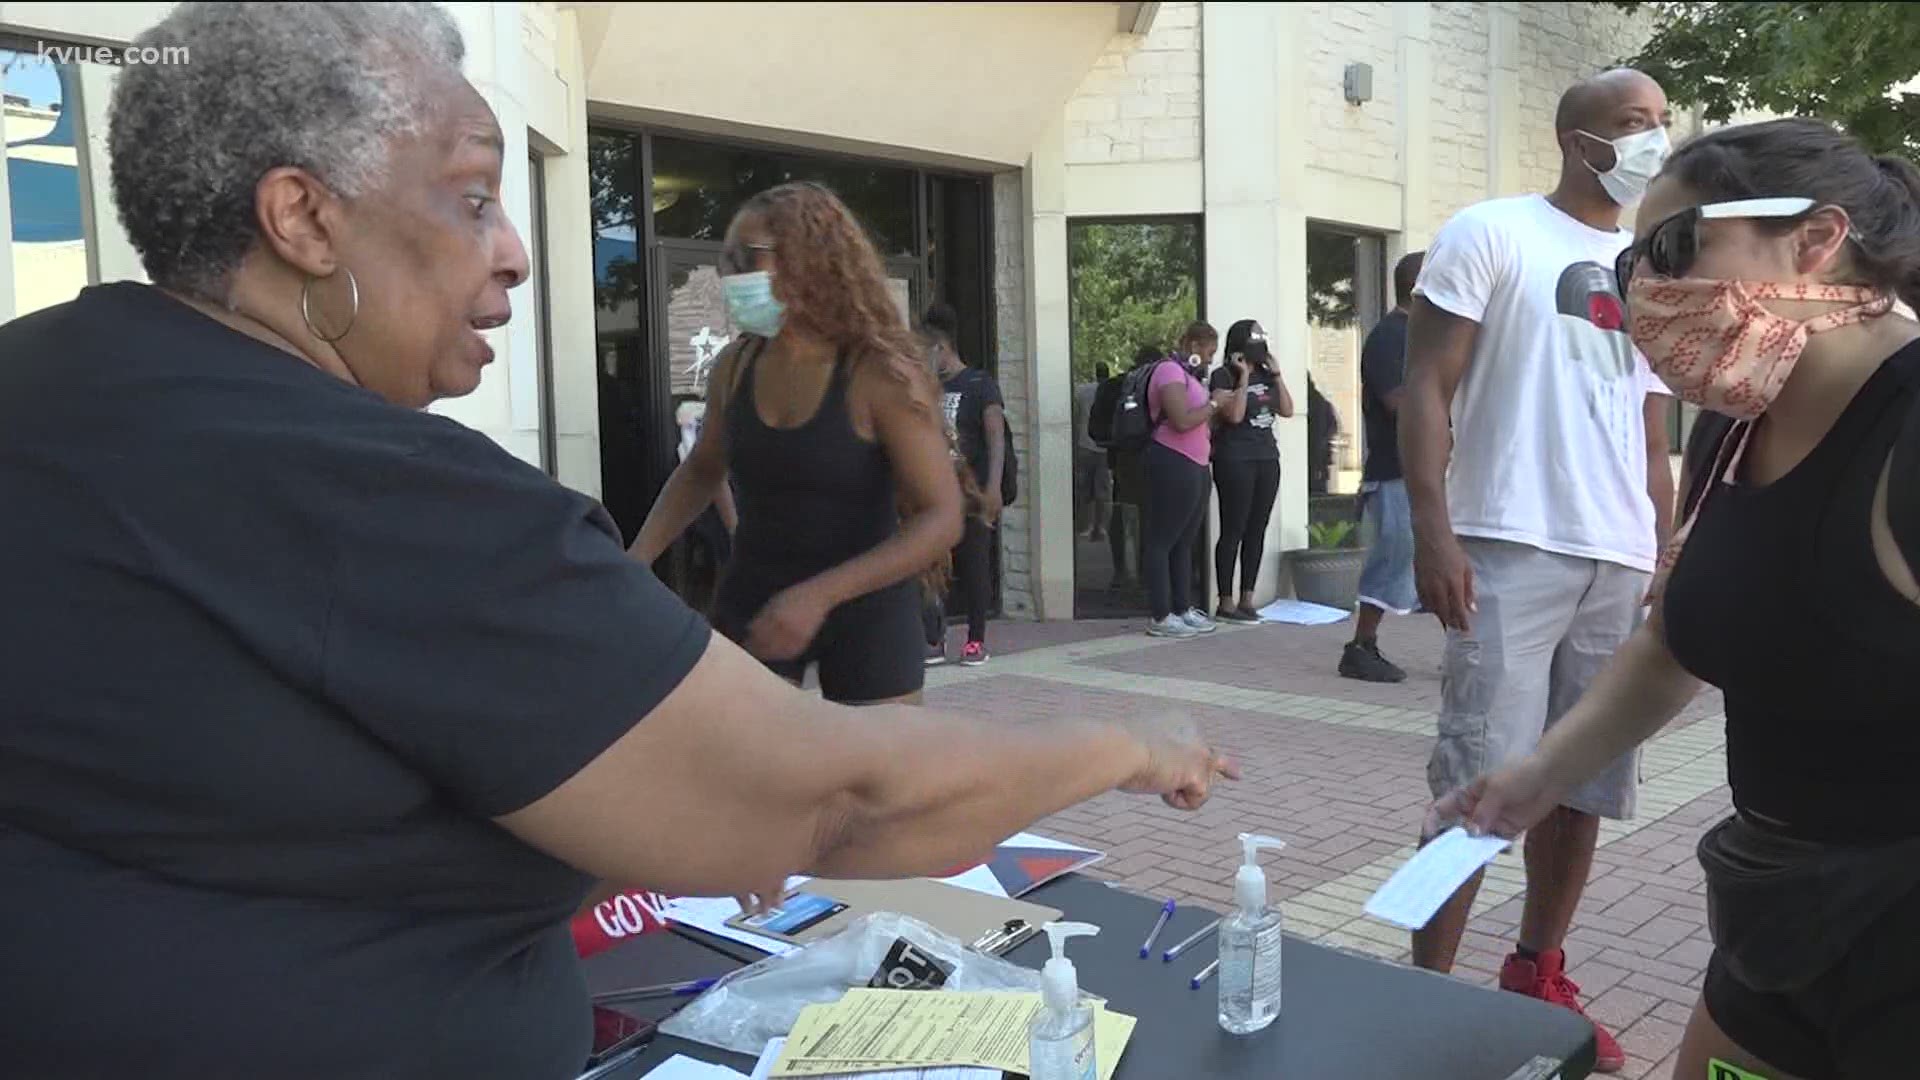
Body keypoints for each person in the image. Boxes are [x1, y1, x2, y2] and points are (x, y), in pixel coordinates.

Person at [0, 6, 1238, 1078]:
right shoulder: (384, 495)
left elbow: (277, 789)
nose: (517, 249)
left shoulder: (47, 389)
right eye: (475, 195)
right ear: (305, 221)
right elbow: (837, 803)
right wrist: (1132, 737)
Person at [1434, 117, 1920, 1080]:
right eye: (1629, 268)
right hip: (1778, 914)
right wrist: (1533, 780)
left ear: (1816, 239)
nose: (1646, 292)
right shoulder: (1733, 433)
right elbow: (1678, 641)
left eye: (1670, 248)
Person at [1399, 69, 1678, 1073]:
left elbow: (1654, 429)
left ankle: (1538, 972)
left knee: (1583, 786)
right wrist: (1435, 532)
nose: (1650, 142)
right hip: (1509, 540)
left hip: (1617, 556)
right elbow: (1426, 385)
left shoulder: (1655, 265)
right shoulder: (1491, 230)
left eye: (1659, 124)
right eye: (1630, 125)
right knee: (1480, 779)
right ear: (1575, 138)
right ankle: (1417, 994)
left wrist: (1665, 544)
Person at [631, 183, 960, 705]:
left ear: (811, 260)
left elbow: (942, 518)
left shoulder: (880, 373)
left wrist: (819, 597)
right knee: (746, 772)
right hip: (757, 596)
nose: (731, 275)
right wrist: (634, 562)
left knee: (874, 781)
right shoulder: (735, 368)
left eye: (747, 257)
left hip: (868, 605)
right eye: (727, 260)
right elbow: (700, 470)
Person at [1341, 251, 1425, 682]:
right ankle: (1360, 646)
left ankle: (1470, 647)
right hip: (1395, 471)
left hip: (1422, 471)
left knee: (1431, 559)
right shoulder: (1389, 337)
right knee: (1394, 557)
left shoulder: (1418, 335)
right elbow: (1400, 403)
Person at [925, 302, 1005, 666]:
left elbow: (996, 436)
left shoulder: (978, 384)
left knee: (974, 566)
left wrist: (994, 487)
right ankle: (934, 637)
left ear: (940, 348)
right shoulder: (927, 388)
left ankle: (975, 639)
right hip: (935, 494)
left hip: (971, 492)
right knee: (932, 567)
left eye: (926, 352)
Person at [1144, 321, 1228, 638]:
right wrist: (1216, 402)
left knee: (1184, 540)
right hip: (1172, 461)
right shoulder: (1168, 372)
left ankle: (1182, 607)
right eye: (1208, 352)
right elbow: (1181, 420)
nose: (1209, 360)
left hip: (1196, 463)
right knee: (1162, 540)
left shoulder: (1189, 375)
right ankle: (1161, 614)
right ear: (1193, 345)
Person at [1209, 319, 1295, 623]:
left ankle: (1247, 596)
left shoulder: (1267, 374)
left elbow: (1287, 409)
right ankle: (1226, 601)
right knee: (1234, 528)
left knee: (1257, 528)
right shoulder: (1222, 375)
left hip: (1266, 457)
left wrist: (1278, 374)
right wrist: (1243, 378)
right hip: (1235, 458)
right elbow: (1233, 415)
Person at [1104, 345, 1162, 590]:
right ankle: (1145, 572)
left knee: (1120, 513)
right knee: (1150, 515)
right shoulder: (1162, 384)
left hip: (1122, 456)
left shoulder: (1115, 386)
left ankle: (1120, 571)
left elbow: (1097, 425)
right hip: (1152, 456)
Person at [1074, 362, 1113, 541]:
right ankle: (1102, 527)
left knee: (1085, 489)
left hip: (1085, 444)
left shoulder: (1083, 391)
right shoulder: (1111, 390)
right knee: (1103, 490)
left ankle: (1087, 526)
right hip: (1105, 446)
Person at [1305, 375, 1338, 495]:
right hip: (1319, 453)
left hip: (1316, 452)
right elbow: (1333, 426)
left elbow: (1332, 426)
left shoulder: (1315, 403)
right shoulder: (1322, 402)